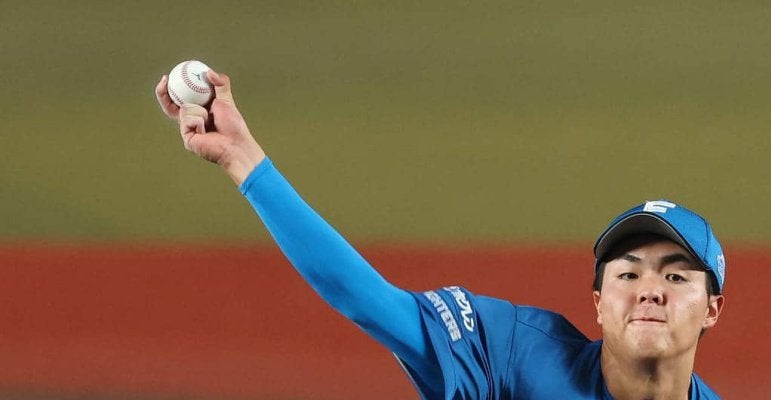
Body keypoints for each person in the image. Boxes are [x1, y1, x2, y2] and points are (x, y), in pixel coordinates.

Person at [154, 69, 727, 400]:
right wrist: (242, 159)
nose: (650, 291)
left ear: (712, 309)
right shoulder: (512, 354)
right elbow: (368, 301)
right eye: (628, 273)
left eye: (676, 277)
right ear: (598, 303)